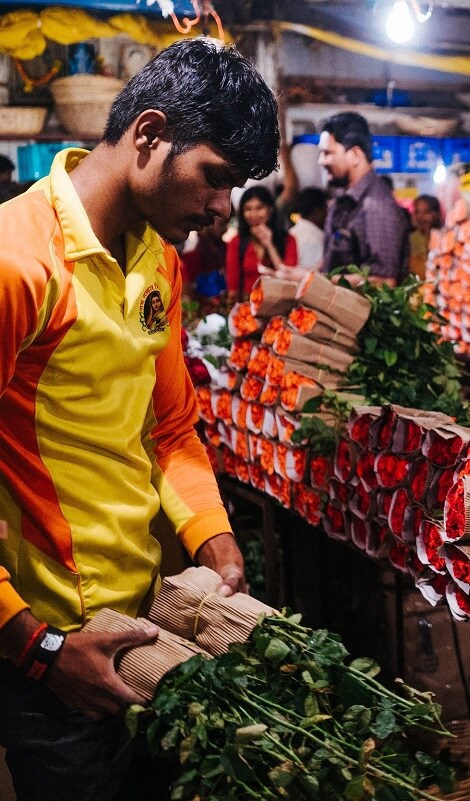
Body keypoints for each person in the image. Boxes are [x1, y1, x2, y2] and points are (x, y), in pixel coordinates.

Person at [0, 38, 276, 799]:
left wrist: (217, 546)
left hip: (152, 619)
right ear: (149, 136)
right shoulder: (16, 261)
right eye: (216, 178)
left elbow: (171, 429)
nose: (224, 208)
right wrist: (37, 646)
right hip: (49, 640)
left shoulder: (159, 261)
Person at [318, 111, 409, 285]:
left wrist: (320, 282)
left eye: (327, 153)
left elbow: (383, 281)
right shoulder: (345, 201)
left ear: (355, 155)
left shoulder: (377, 206)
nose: (321, 161)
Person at [225, 185, 297, 298]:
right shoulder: (236, 242)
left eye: (259, 208)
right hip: (247, 308)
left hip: (279, 305)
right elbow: (233, 288)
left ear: (270, 210)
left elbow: (289, 278)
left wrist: (269, 245)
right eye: (248, 209)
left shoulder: (288, 240)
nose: (253, 214)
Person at [290, 186, 329, 273]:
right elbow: (312, 278)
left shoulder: (291, 232)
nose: (327, 214)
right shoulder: (315, 239)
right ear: (317, 211)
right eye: (326, 209)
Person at [409, 194, 442, 280]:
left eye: (426, 212)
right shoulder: (411, 239)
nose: (420, 217)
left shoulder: (444, 238)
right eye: (417, 212)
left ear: (436, 215)